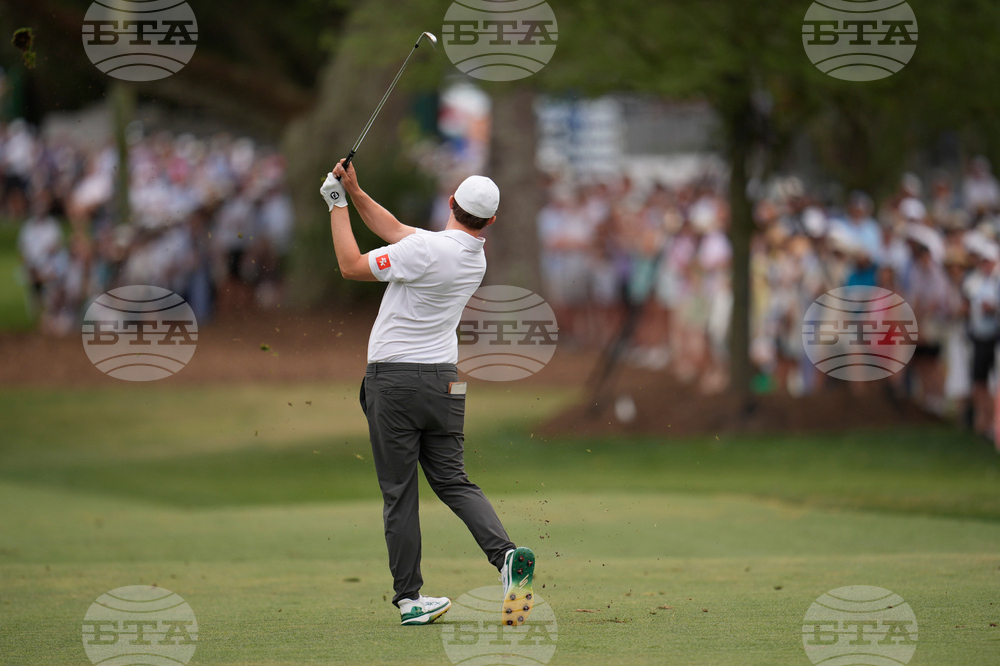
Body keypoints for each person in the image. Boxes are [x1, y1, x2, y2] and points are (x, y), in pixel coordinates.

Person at [320, 160, 536, 627]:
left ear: (451, 202)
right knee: (453, 480)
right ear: (491, 222)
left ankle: (409, 599)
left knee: (399, 493)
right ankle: (505, 557)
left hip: (395, 380)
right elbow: (396, 230)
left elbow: (350, 266)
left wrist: (336, 204)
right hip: (445, 383)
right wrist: (354, 190)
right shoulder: (472, 257)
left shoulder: (425, 249)